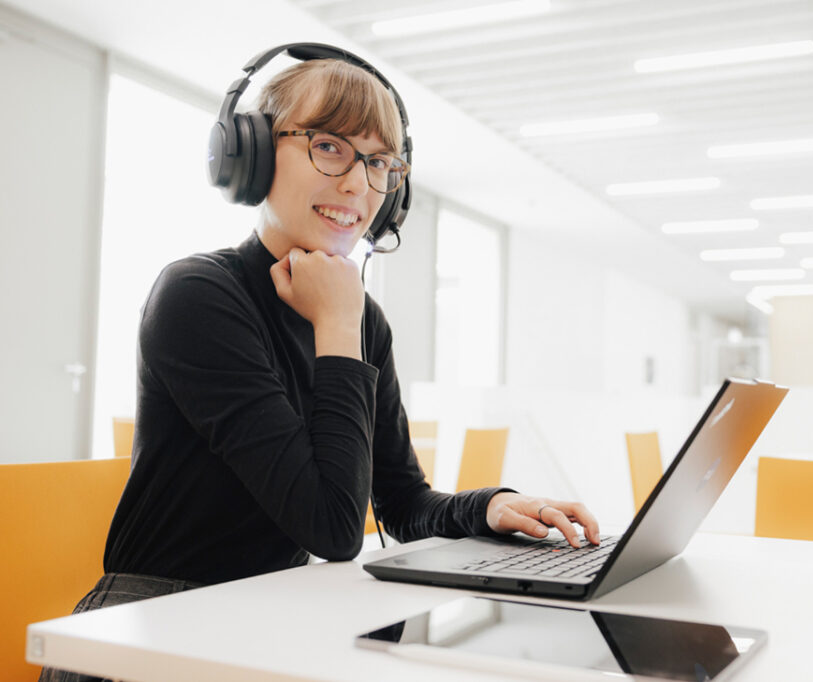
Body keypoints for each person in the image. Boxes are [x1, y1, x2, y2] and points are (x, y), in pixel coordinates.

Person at [40, 46, 599, 682]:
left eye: (381, 163)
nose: (359, 185)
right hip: (151, 632)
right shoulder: (198, 295)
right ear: (247, 155)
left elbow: (401, 501)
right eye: (330, 146)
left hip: (261, 616)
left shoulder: (364, 320)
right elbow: (334, 526)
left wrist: (488, 508)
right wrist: (337, 324)